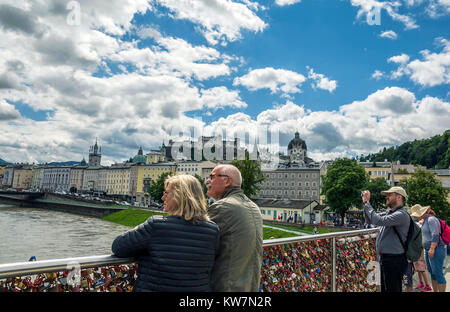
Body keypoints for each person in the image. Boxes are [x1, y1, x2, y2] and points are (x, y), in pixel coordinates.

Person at [111, 174, 220, 292]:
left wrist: (140, 230)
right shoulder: (213, 230)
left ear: (179, 197)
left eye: (166, 193)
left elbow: (118, 246)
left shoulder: (156, 225)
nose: (163, 198)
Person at [205, 164, 263, 292]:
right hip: (249, 285)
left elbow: (198, 239)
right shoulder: (253, 206)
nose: (207, 181)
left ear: (227, 181)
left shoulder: (222, 207)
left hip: (227, 287)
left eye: (212, 177)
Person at [362, 186, 410, 292]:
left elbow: (378, 220)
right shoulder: (390, 212)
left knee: (393, 289)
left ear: (399, 197)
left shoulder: (401, 214)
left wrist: (367, 203)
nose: (386, 197)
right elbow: (370, 220)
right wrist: (365, 205)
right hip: (387, 259)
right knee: (385, 288)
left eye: (389, 195)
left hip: (395, 259)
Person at [410, 204, 447, 292]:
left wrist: (432, 248)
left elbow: (435, 235)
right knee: (432, 274)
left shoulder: (431, 219)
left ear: (421, 213)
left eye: (416, 215)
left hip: (436, 249)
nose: (415, 217)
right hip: (429, 249)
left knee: (438, 274)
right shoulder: (426, 220)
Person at [410, 213, 432, 292]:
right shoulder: (419, 223)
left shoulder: (417, 224)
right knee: (418, 268)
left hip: (418, 249)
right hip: (417, 248)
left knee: (421, 268)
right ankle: (421, 283)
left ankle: (427, 285)